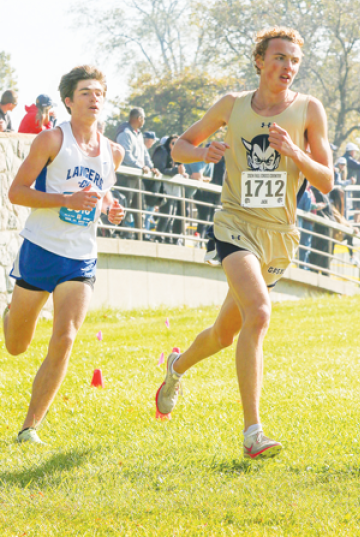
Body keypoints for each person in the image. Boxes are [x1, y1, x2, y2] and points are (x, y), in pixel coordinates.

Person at [155, 26, 333, 459]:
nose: (287, 67)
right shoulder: (231, 105)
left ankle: (175, 367)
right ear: (259, 61)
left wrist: (296, 153)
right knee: (259, 311)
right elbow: (179, 147)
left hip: (280, 236)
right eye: (279, 58)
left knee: (224, 333)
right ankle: (253, 432)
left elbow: (326, 182)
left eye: (293, 60)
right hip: (234, 224)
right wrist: (204, 154)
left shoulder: (309, 110)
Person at [3, 65, 125, 444]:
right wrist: (65, 200)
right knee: (16, 345)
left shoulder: (113, 151)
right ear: (69, 101)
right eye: (86, 92)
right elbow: (17, 192)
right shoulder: (51, 141)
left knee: (66, 337)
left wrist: (111, 207)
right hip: (41, 248)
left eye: (99, 93)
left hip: (80, 256)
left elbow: (102, 192)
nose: (94, 98)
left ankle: (29, 428)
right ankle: (12, 313)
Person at [116, 108, 160, 238]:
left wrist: (151, 167)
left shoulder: (138, 134)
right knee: (125, 205)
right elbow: (126, 155)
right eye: (144, 118)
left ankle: (139, 236)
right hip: (126, 177)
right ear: (139, 118)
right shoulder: (125, 133)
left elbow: (144, 153)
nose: (144, 121)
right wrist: (140, 166)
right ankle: (120, 234)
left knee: (139, 207)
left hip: (137, 176)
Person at [152, 135, 188, 242]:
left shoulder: (177, 155)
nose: (175, 146)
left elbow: (177, 170)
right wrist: (177, 171)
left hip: (173, 189)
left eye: (177, 144)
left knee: (171, 214)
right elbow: (161, 169)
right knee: (166, 214)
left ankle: (167, 238)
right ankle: (159, 237)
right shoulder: (162, 151)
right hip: (164, 188)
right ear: (168, 143)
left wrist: (182, 173)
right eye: (173, 143)